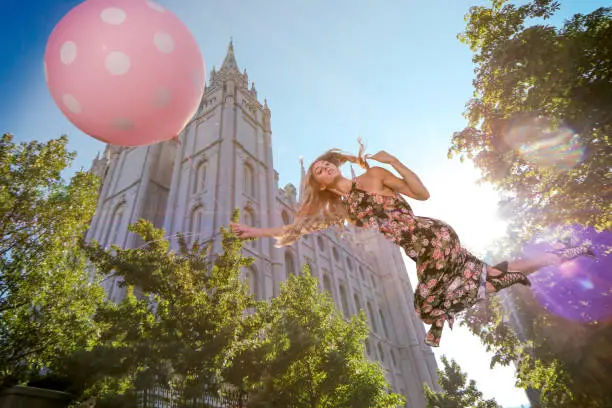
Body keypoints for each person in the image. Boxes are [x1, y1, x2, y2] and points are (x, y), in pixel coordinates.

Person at [230, 141, 595, 347]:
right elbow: (297, 230)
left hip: (432, 235)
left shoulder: (374, 175)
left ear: (336, 167)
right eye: (317, 170)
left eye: (326, 163)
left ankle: (451, 314)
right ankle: (559, 256)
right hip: (423, 253)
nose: (323, 167)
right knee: (485, 277)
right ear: (320, 184)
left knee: (426, 306)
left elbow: (422, 193)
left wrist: (396, 161)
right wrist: (254, 232)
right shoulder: (342, 210)